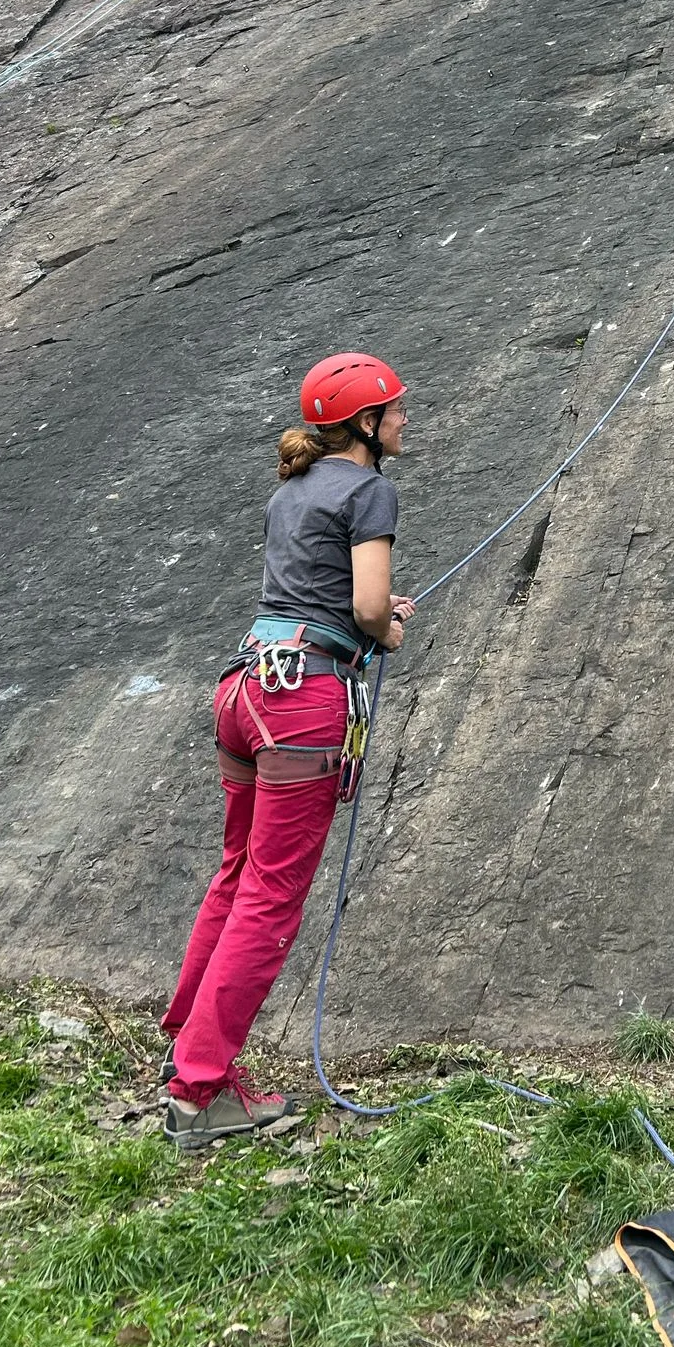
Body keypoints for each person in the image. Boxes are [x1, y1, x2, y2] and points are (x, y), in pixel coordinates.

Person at [160, 351, 415, 1151]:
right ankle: (199, 1093)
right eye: (396, 410)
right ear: (364, 426)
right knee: (272, 896)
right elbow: (368, 604)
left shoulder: (293, 487)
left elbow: (317, 591)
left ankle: (184, 1045)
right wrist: (386, 626)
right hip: (302, 702)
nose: (406, 419)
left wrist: (366, 615)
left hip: (246, 689)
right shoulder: (372, 489)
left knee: (237, 873)